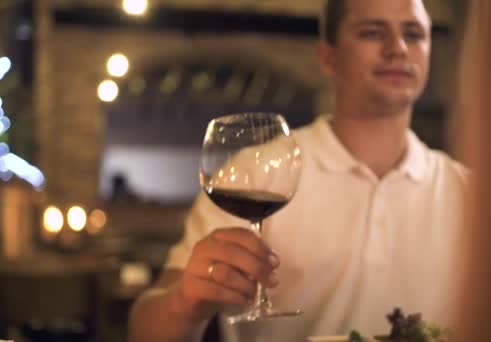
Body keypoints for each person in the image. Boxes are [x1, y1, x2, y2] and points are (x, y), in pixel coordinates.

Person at [127, 0, 468, 341]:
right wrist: (184, 304)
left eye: (414, 34)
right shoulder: (251, 173)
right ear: (327, 57)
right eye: (372, 32)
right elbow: (144, 332)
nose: (398, 48)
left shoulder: (471, 193)